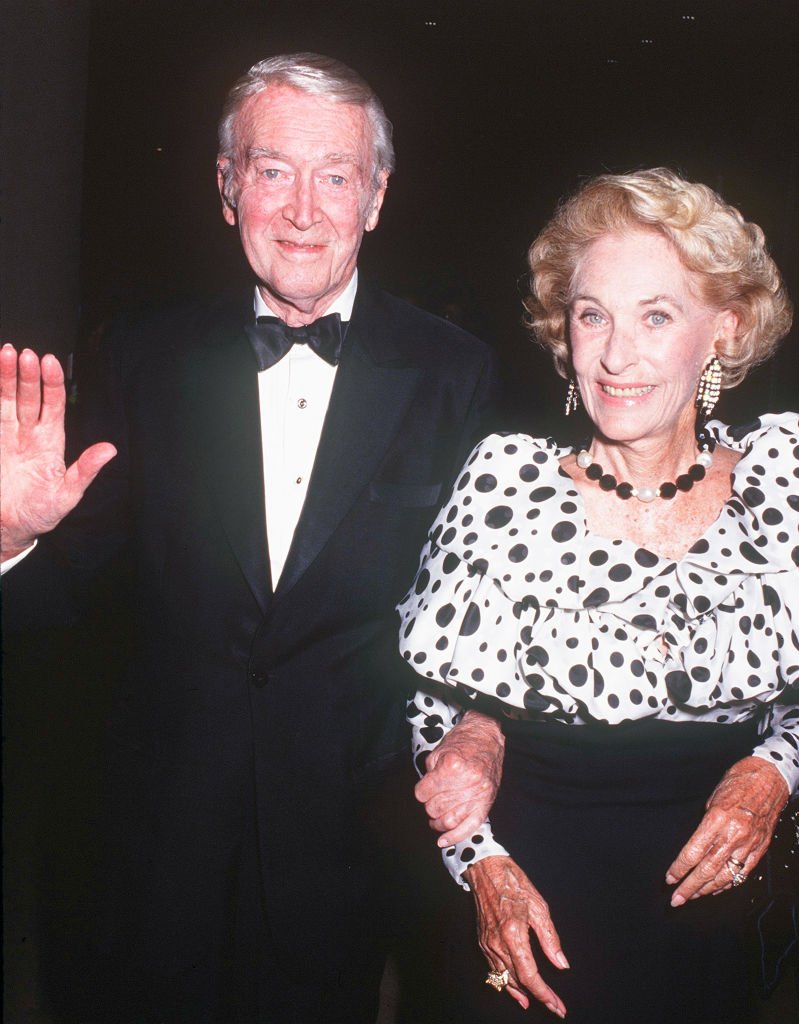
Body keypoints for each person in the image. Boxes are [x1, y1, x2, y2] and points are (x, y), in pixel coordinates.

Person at [0, 53, 505, 1023]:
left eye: (336, 175)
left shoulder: (456, 375)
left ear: (376, 196)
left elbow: (478, 615)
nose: (304, 211)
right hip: (149, 852)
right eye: (272, 170)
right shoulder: (143, 356)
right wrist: (16, 540)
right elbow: (67, 610)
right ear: (228, 189)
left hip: (347, 854)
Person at [398, 168, 799, 1023]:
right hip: (529, 901)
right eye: (592, 313)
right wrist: (479, 864)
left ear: (725, 330)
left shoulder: (795, 482)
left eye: (656, 316)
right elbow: (429, 703)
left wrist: (772, 772)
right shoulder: (504, 488)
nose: (614, 353)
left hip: (713, 912)